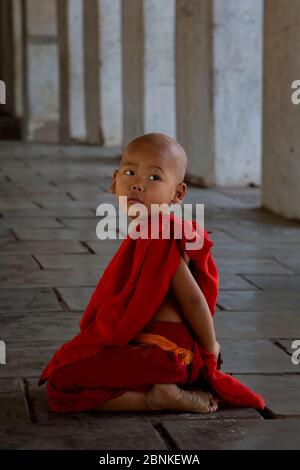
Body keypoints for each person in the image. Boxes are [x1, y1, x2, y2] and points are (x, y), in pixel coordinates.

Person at [40, 133, 264, 414]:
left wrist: (209, 352)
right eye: (130, 172)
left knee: (62, 385)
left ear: (178, 194)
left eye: (154, 178)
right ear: (114, 181)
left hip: (169, 354)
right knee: (77, 361)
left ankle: (156, 397)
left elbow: (193, 300)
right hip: (156, 350)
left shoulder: (161, 235)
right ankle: (159, 386)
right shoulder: (148, 231)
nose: (138, 183)